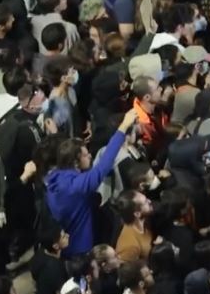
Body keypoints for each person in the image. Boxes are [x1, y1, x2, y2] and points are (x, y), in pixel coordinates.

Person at [46, 109, 141, 256]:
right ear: (76, 162)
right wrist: (123, 127)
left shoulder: (56, 178)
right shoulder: (76, 186)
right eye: (85, 155)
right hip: (81, 249)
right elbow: (104, 165)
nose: (90, 156)